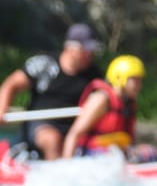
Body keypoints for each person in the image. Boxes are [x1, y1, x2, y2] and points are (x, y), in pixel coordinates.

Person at [0, 23, 102, 160]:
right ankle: (57, 175)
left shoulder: (94, 75)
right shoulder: (45, 64)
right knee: (52, 140)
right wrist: (2, 109)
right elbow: (11, 85)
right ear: (70, 48)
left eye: (91, 51)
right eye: (85, 50)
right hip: (40, 124)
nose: (89, 55)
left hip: (75, 127)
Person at [61, 55, 157, 163]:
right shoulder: (101, 99)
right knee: (121, 157)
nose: (139, 85)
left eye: (140, 80)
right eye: (134, 80)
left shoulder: (128, 104)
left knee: (150, 153)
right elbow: (74, 134)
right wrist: (66, 165)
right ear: (119, 78)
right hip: (90, 153)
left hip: (114, 152)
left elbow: (128, 140)